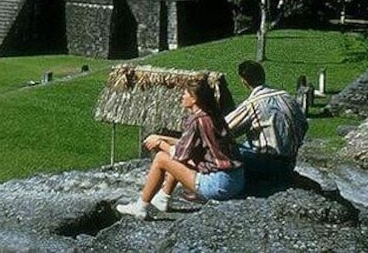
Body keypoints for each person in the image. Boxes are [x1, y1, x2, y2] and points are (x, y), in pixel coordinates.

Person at [116, 79, 244, 218]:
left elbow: (180, 154)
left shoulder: (197, 120)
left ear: (194, 99)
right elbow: (187, 145)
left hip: (219, 185)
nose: (181, 97)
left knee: (161, 159)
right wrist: (162, 137)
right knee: (177, 157)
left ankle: (140, 207)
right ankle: (163, 198)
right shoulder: (213, 115)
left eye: (185, 94)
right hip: (236, 180)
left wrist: (159, 143)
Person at [225, 60, 308, 184]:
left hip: (269, 165)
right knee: (247, 144)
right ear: (263, 76)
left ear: (244, 81)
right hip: (291, 159)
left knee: (228, 150)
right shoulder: (286, 96)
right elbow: (304, 124)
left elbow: (223, 129)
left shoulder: (253, 104)